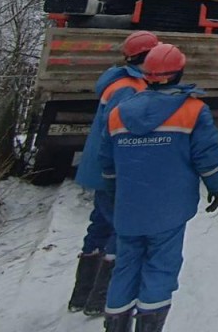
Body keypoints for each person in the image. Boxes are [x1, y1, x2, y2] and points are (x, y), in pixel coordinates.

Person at [100, 43, 218, 332]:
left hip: (129, 207)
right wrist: (216, 185)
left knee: (125, 267)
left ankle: (115, 324)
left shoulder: (118, 113)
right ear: (179, 72)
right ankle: (149, 324)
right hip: (170, 208)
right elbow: (206, 156)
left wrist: (112, 192)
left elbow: (106, 162)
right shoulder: (193, 110)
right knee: (161, 267)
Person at [69, 30, 160, 316]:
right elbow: (122, 134)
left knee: (100, 225)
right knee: (121, 229)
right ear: (146, 56)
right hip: (116, 171)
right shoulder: (128, 87)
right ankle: (102, 297)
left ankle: (82, 295)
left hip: (102, 168)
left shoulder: (119, 80)